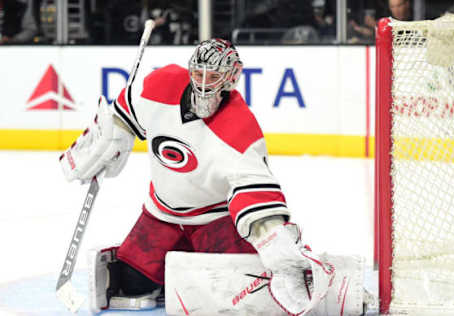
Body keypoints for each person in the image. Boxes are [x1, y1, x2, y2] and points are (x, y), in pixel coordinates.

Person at [59, 38, 366, 315]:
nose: (204, 84)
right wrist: (109, 140)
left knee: (243, 285)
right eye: (198, 74)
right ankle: (175, 269)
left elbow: (256, 196)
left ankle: (300, 268)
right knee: (132, 284)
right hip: (160, 215)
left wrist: (275, 241)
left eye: (214, 77)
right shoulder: (160, 85)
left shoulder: (240, 129)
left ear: (231, 79)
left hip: (214, 222)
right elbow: (124, 112)